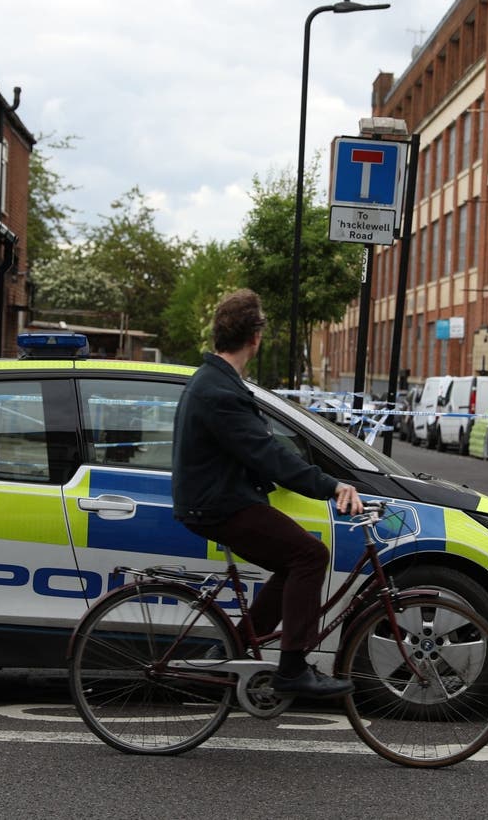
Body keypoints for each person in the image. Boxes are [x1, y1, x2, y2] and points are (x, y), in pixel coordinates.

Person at [172, 289, 363, 698]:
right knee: (309, 555)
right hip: (220, 504)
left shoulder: (216, 381)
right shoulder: (219, 390)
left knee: (292, 563)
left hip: (221, 498)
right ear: (255, 337)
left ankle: (233, 650)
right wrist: (330, 485)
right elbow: (267, 454)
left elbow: (262, 448)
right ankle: (291, 670)